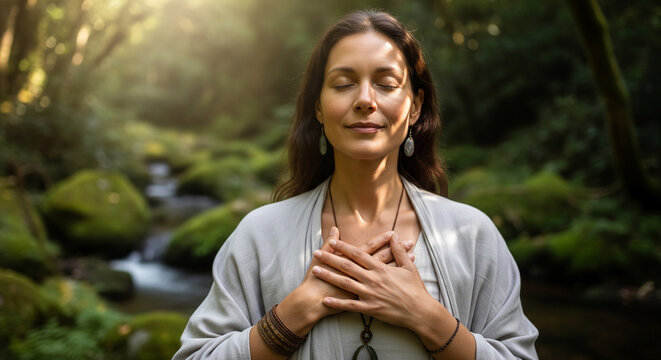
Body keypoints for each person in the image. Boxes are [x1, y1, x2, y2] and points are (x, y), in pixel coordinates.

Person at [173, 10, 538, 360]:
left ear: (414, 106)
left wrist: (428, 318)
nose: (365, 100)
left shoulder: (472, 235)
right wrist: (290, 316)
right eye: (344, 84)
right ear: (318, 106)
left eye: (386, 83)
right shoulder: (260, 234)